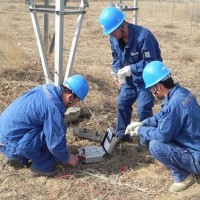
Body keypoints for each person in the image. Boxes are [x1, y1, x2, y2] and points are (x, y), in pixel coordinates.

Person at [125, 61, 200, 192]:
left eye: (151, 89)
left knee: (155, 145)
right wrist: (143, 123)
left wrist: (141, 130)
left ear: (158, 87)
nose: (152, 93)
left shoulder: (174, 104)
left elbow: (162, 135)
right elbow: (162, 116)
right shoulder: (181, 93)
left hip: (197, 157)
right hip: (195, 146)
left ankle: (184, 176)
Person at [0, 74, 89, 177]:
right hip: (13, 143)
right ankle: (41, 168)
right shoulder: (53, 108)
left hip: (4, 136)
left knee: (47, 128)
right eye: (77, 101)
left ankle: (18, 159)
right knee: (57, 134)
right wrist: (68, 158)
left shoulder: (46, 88)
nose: (75, 105)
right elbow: (55, 144)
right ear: (70, 98)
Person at [99, 7, 162, 140]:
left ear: (122, 25)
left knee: (143, 109)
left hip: (147, 80)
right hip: (129, 79)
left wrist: (131, 68)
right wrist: (116, 72)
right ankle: (122, 135)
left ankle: (147, 139)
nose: (111, 35)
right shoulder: (114, 39)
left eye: (112, 31)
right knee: (122, 103)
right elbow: (116, 57)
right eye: (109, 33)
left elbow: (152, 63)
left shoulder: (143, 36)